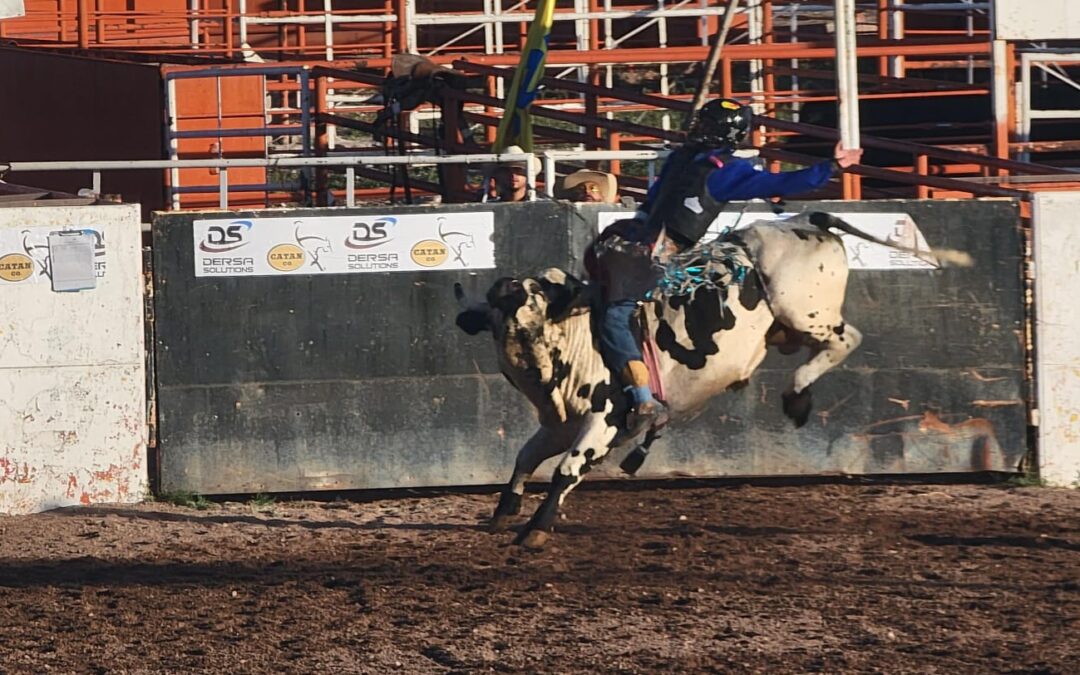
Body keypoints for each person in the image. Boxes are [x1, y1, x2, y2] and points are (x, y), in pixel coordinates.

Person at [592, 98, 863, 440]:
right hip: (640, 245)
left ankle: (642, 398)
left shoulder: (723, 170)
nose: (697, 129)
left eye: (707, 125)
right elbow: (653, 201)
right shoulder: (684, 158)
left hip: (664, 255)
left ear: (721, 132)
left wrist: (831, 167)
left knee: (615, 313)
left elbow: (780, 183)